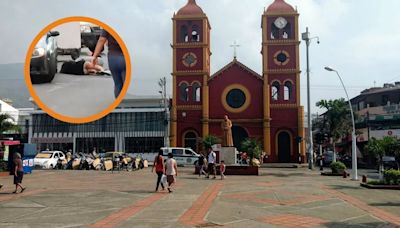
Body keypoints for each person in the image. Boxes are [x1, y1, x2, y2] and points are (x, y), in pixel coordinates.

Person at [92, 30, 126, 98]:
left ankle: (119, 105)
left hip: (112, 58)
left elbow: (101, 39)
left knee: (118, 84)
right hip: (125, 57)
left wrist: (95, 56)